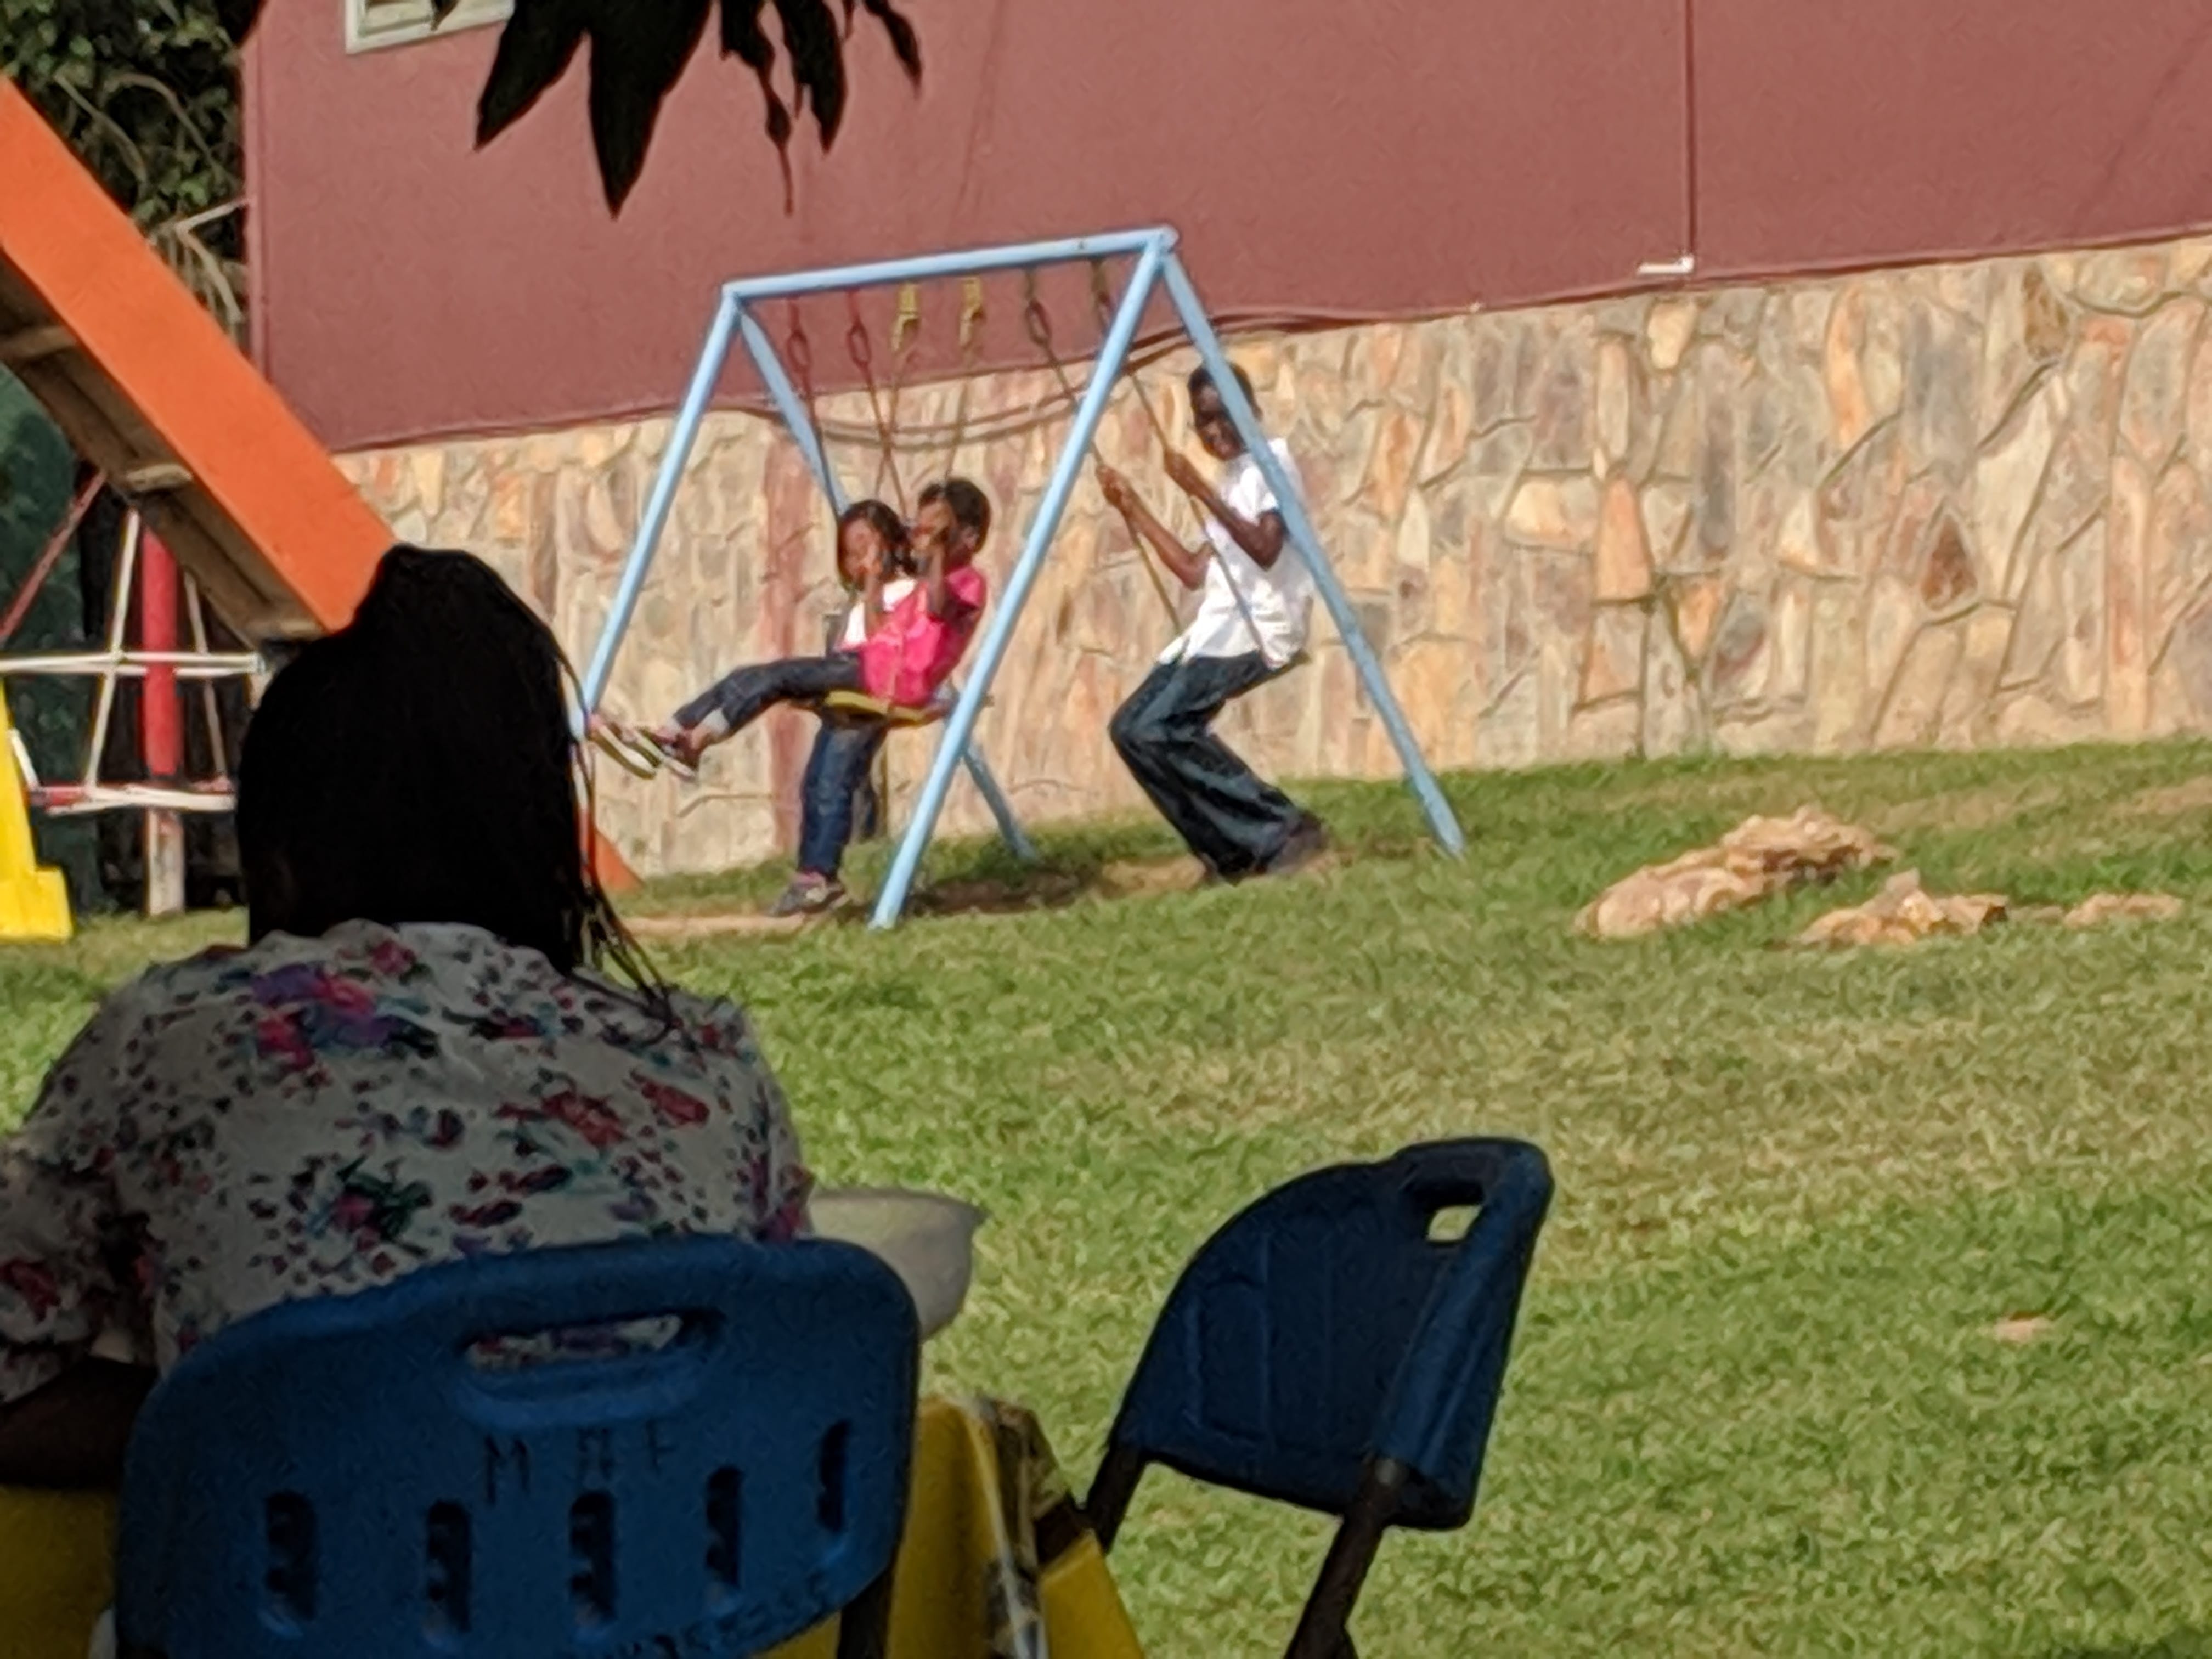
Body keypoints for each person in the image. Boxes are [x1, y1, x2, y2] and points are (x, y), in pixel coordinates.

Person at [0, 546, 811, 1491]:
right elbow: (785, 1360)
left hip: (309, 1576)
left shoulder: (170, 1039)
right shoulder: (706, 1056)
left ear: (278, 869)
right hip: (682, 1578)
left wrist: (237, 1413)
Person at [596, 478, 994, 918]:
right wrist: (887, 573)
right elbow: (883, 633)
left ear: (968, 537)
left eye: (939, 531)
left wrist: (933, 552)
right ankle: (816, 878)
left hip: (883, 680)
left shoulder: (967, 583)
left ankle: (684, 739)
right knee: (820, 779)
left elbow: (938, 608)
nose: (925, 539)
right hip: (869, 673)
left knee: (772, 678)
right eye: (922, 529)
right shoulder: (920, 585)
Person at [1096, 365, 1329, 883]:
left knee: (1161, 727)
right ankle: (1227, 854)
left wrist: (1200, 490)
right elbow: (1191, 569)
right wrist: (1133, 506)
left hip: (1262, 628)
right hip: (1217, 632)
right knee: (1131, 730)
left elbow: (1266, 549)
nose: (1216, 430)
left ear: (1252, 410)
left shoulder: (1271, 462)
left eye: (1226, 415)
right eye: (1205, 421)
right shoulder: (1232, 478)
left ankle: (1283, 828)